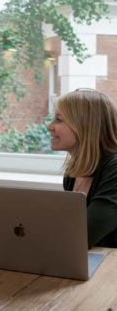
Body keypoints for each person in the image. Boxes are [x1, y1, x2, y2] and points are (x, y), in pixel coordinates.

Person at [47, 88, 117, 249]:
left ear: (85, 126)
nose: (49, 126)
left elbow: (81, 236)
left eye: (59, 119)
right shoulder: (74, 171)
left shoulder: (114, 169)